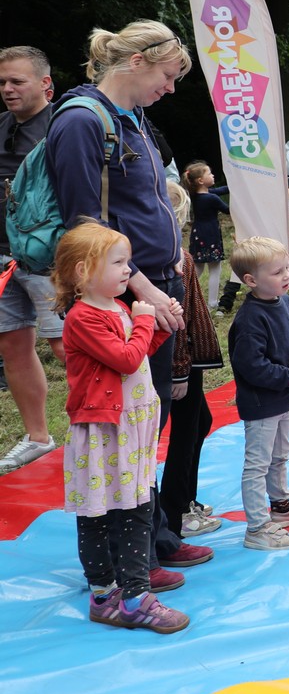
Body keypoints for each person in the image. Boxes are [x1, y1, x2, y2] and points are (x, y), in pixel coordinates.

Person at [45, 20, 202, 586]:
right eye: (168, 75)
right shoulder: (83, 122)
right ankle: (124, 563)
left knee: (149, 420)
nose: (171, 89)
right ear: (137, 62)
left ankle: (151, 539)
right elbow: (83, 224)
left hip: (152, 285)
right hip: (124, 299)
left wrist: (172, 258)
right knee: (125, 432)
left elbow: (145, 201)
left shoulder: (131, 116)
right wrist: (144, 290)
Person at [54, 222, 187, 634]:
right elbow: (126, 360)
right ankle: (122, 596)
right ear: (83, 271)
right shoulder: (83, 318)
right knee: (110, 514)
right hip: (106, 431)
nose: (128, 270)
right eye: (118, 262)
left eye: (127, 261)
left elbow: (138, 352)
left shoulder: (117, 308)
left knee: (135, 507)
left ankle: (120, 594)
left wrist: (160, 327)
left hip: (129, 428)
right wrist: (145, 320)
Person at [226, 236, 289, 551]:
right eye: (278, 272)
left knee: (279, 455)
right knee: (258, 464)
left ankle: (281, 507)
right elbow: (252, 366)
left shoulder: (285, 302)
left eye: (287, 268)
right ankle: (257, 527)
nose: (287, 275)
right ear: (251, 280)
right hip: (262, 404)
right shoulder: (250, 319)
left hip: (283, 398)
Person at [0, 45, 62, 473]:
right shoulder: (2, 126)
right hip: (4, 257)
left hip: (48, 258)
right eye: (3, 82)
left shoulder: (64, 126)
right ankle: (38, 437)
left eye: (17, 81)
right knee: (12, 346)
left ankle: (99, 432)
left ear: (45, 84)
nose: (8, 89)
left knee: (67, 345)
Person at [161, 182, 224, 541]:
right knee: (186, 430)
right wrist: (180, 370)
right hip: (181, 360)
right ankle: (176, 511)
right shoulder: (175, 260)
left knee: (201, 422)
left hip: (189, 356)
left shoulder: (178, 255)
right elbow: (178, 317)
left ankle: (185, 498)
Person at [181, 162, 228, 300]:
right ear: (201, 180)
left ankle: (183, 294)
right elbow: (228, 210)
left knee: (198, 268)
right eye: (209, 173)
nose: (213, 175)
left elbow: (220, 190)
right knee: (215, 269)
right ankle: (212, 302)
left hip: (198, 235)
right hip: (211, 235)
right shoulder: (211, 198)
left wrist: (235, 185)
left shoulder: (197, 195)